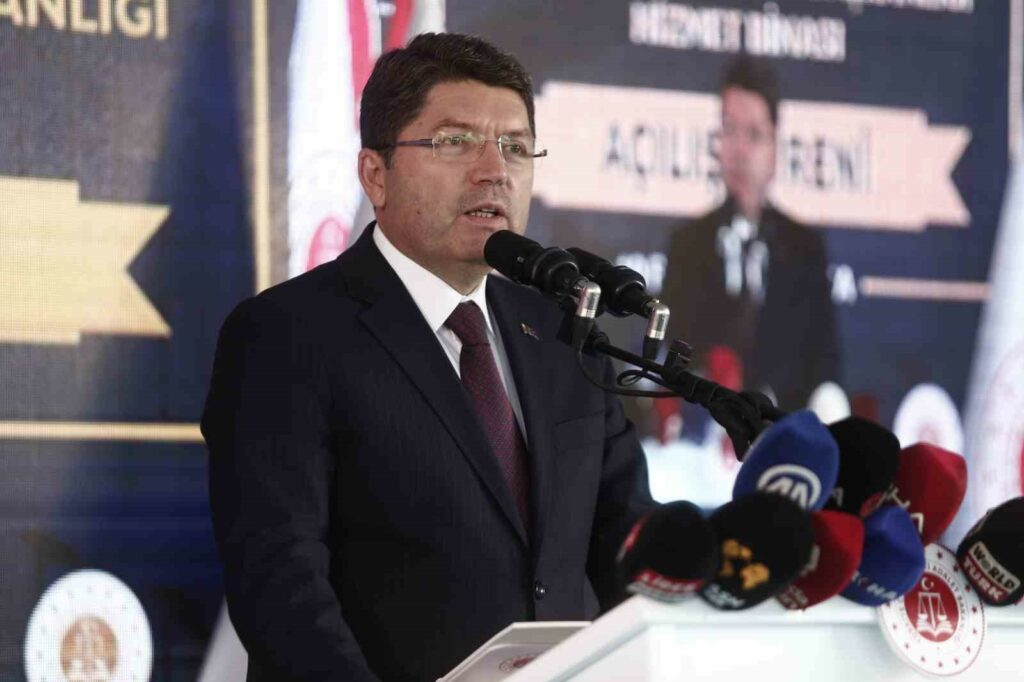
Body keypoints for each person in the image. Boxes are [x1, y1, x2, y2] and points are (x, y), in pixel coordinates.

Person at [201, 33, 656, 682]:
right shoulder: (285, 336)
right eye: (455, 142)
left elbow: (630, 549)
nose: (494, 170)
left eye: (515, 147)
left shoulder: (563, 335)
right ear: (375, 175)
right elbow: (280, 586)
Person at [659, 55, 839, 414]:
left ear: (775, 150)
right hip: (705, 433)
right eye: (729, 130)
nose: (739, 150)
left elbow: (825, 366)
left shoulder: (805, 248)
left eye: (754, 134)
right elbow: (672, 356)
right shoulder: (687, 244)